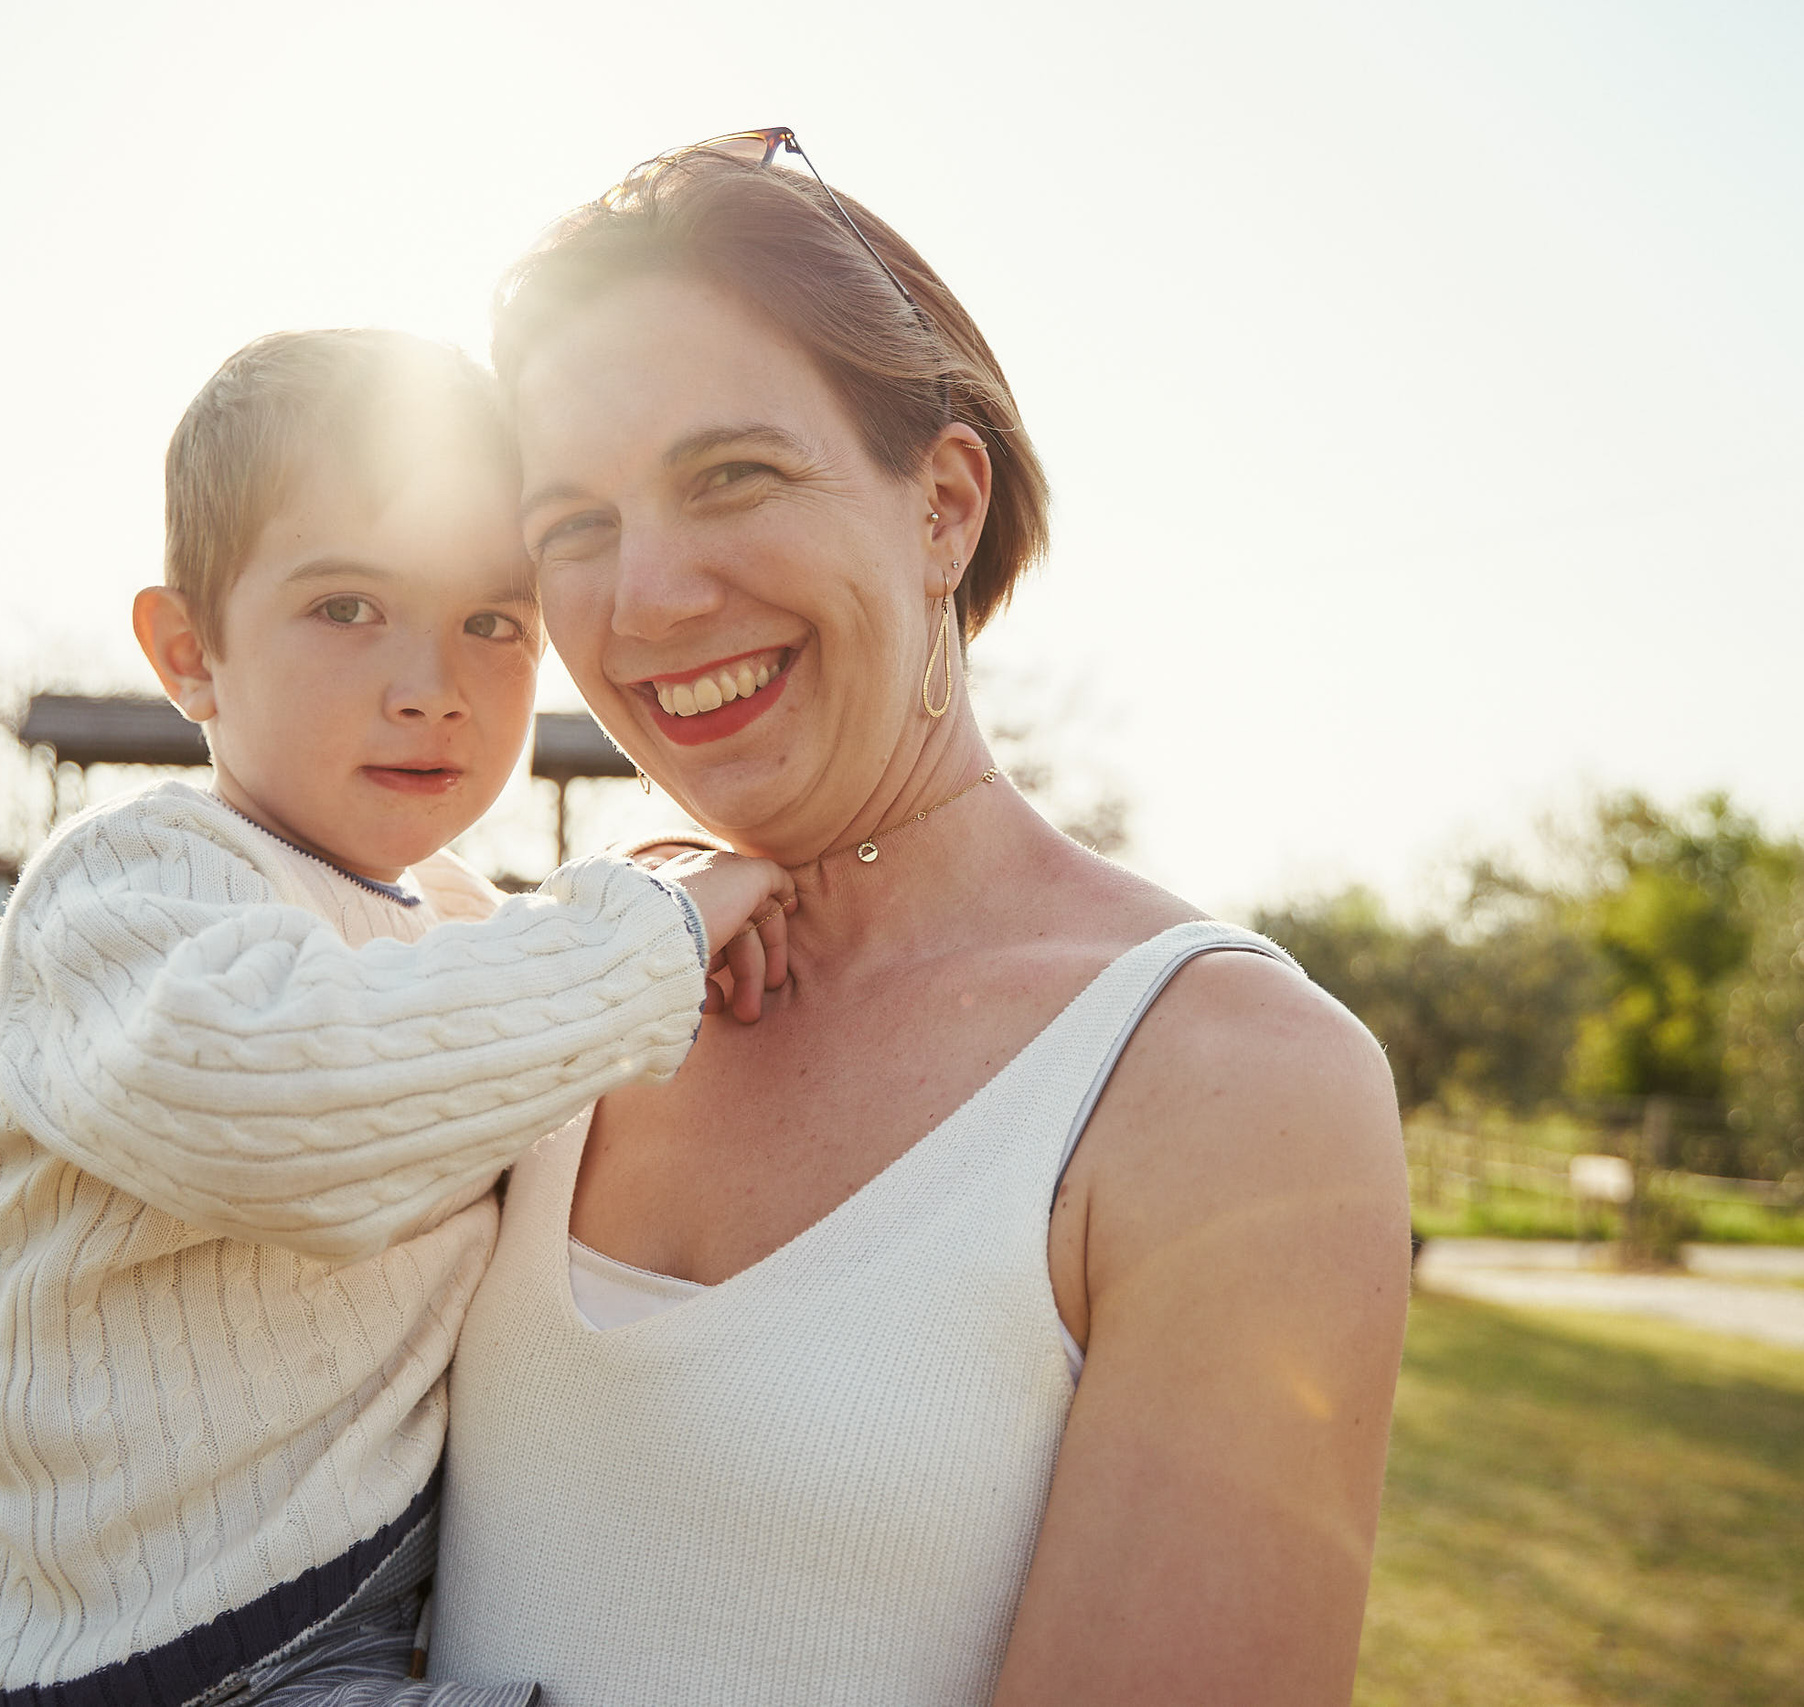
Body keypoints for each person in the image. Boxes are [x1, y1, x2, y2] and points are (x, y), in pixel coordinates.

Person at [430, 135, 1415, 1705]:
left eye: (731, 474)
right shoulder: (534, 979)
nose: (649, 597)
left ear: (944, 504)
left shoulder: (1228, 1086)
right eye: (573, 524)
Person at [0, 329, 796, 1707]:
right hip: (153, 1654)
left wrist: (662, 914)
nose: (430, 681)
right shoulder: (128, 885)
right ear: (190, 652)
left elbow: (498, 1023)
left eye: (494, 621)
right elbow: (290, 1101)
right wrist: (649, 935)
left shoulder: (454, 910)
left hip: (342, 1605)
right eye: (346, 607)